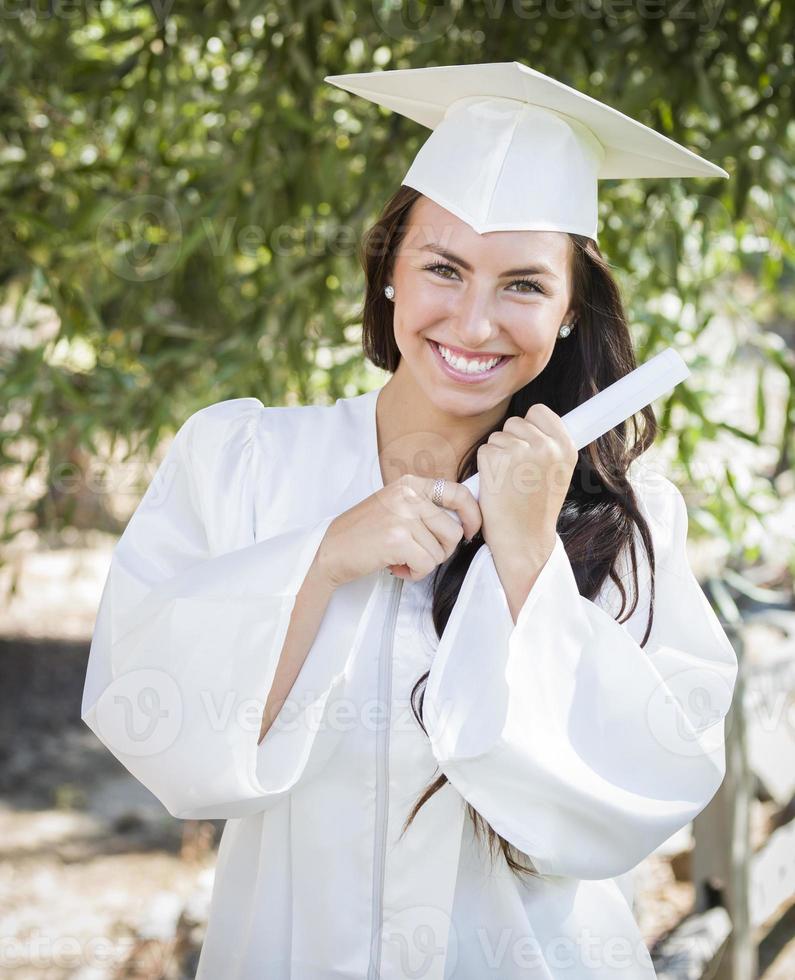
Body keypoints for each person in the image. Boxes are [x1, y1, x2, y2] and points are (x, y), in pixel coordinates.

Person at [81, 61, 738, 979]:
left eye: (522, 285)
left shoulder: (624, 518)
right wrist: (320, 558)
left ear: (567, 312)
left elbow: (643, 785)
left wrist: (525, 555)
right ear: (388, 269)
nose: (473, 322)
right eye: (442, 268)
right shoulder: (246, 463)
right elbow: (150, 715)